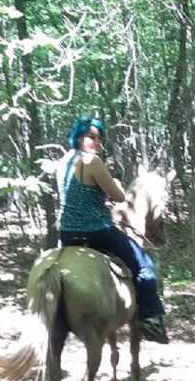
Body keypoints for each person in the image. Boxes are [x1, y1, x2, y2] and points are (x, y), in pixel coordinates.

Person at [56, 115, 168, 344]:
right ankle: (151, 319)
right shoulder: (92, 161)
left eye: (99, 138)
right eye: (91, 137)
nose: (96, 142)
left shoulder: (63, 162)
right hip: (96, 231)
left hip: (66, 234)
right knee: (144, 265)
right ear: (79, 136)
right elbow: (118, 196)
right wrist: (114, 183)